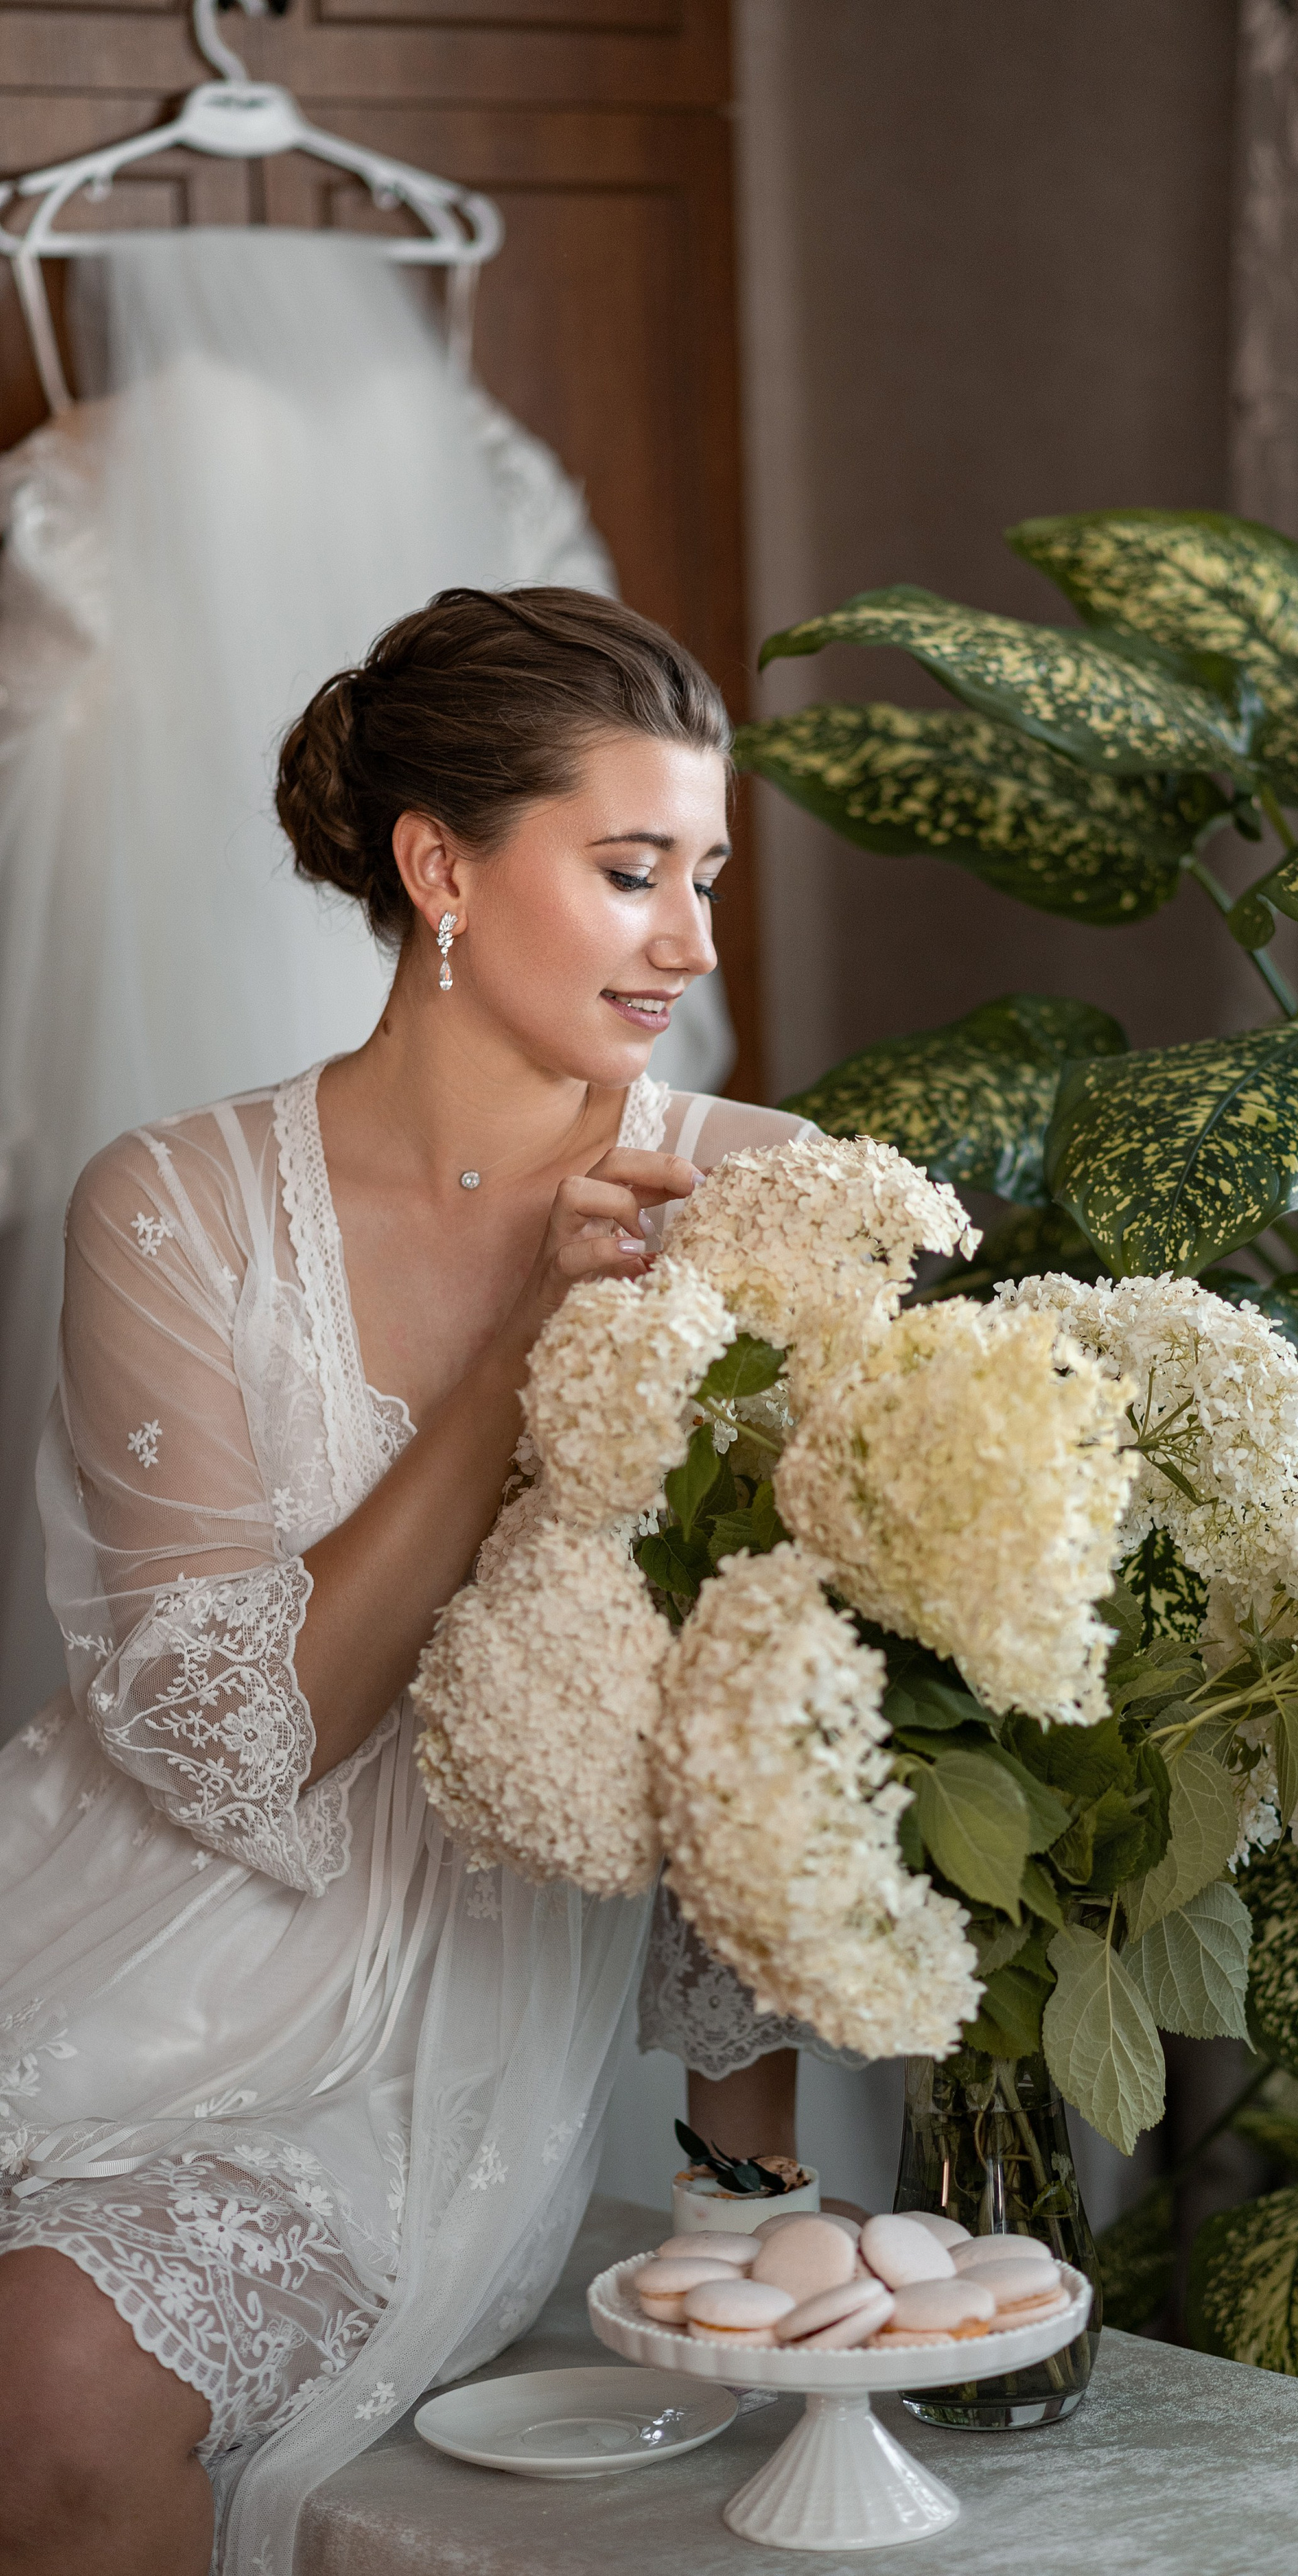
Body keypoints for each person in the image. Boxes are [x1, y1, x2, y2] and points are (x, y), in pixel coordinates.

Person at [0, 588, 809, 2576]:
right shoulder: (171, 1207)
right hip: (106, 1926)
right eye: (633, 874)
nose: (696, 944)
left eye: (704, 876)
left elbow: (780, 1724)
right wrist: (526, 1347)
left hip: (406, 2053)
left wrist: (753, 2176)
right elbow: (234, 1753)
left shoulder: (770, 1202)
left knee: (52, 2375)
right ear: (439, 866)